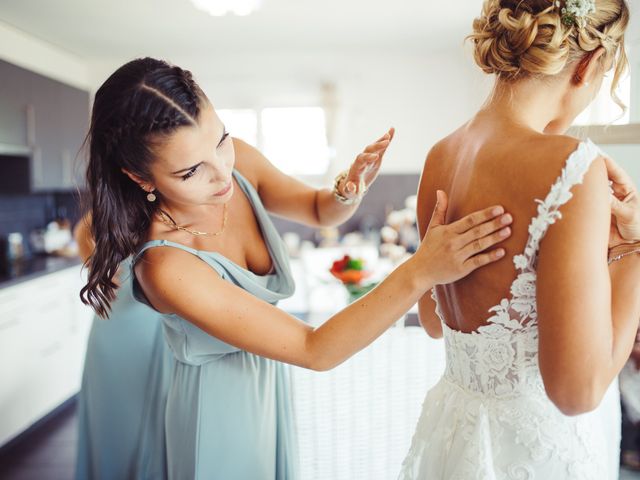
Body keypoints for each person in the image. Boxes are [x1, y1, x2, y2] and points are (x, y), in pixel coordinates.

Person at [80, 57, 514, 479]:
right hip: (213, 413)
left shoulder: (238, 163)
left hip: (265, 386)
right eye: (192, 171)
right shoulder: (165, 265)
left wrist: (347, 190)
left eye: (221, 140)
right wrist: (421, 270)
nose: (222, 175)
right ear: (141, 178)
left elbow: (315, 208)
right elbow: (314, 349)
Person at [399, 0, 640, 478]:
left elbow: (433, 319)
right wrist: (633, 251)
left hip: (456, 435)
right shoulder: (572, 165)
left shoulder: (441, 155)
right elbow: (577, 392)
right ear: (590, 64)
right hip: (538, 453)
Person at [73, 216, 172, 480]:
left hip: (159, 324)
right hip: (116, 326)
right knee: (113, 420)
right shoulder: (124, 194)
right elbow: (82, 229)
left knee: (157, 421)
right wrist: (99, 267)